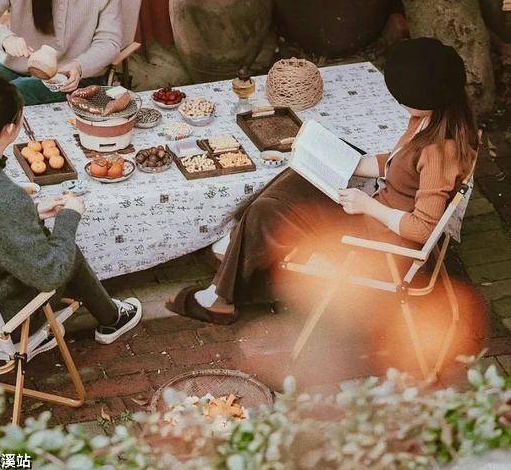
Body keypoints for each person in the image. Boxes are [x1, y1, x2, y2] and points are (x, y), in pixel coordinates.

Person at [167, 38, 479, 324]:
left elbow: (422, 228)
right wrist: (348, 161)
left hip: (377, 243)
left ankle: (221, 298)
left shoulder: (438, 152)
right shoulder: (432, 120)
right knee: (300, 173)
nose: (398, 101)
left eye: (403, 97)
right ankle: (240, 244)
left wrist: (368, 206)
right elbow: (400, 164)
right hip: (375, 218)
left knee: (269, 210)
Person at [0, 76, 142, 343]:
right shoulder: (6, 197)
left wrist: (33, 211)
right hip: (0, 322)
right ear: (9, 129)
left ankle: (109, 316)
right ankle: (111, 319)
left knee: (54, 246)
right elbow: (51, 273)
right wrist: (69, 216)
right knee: (65, 251)